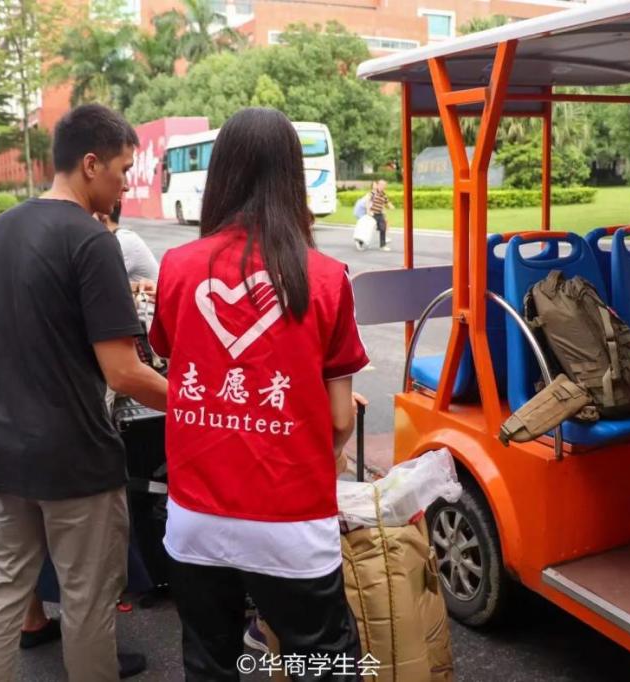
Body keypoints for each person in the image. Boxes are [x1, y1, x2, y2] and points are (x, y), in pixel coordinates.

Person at [149, 107, 367, 680]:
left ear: (221, 174)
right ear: (293, 177)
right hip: (291, 520)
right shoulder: (326, 276)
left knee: (210, 663)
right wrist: (327, 448)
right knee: (324, 663)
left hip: (196, 516)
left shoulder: (177, 267)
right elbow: (339, 417)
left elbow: (176, 361)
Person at [0, 103, 168, 682]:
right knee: (87, 595)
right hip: (78, 456)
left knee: (4, 583)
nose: (124, 184)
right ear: (90, 164)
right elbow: (123, 372)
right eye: (122, 170)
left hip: (8, 447)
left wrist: (0, 410)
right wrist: (198, 404)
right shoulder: (92, 240)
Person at [368, 179, 395, 252]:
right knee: (369, 229)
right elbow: (368, 201)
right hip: (372, 214)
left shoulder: (383, 194)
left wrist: (391, 206)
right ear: (378, 185)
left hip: (379, 214)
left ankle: (382, 245)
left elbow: (387, 202)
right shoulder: (373, 192)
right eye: (382, 185)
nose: (384, 187)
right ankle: (361, 241)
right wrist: (368, 211)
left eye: (385, 185)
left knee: (383, 228)